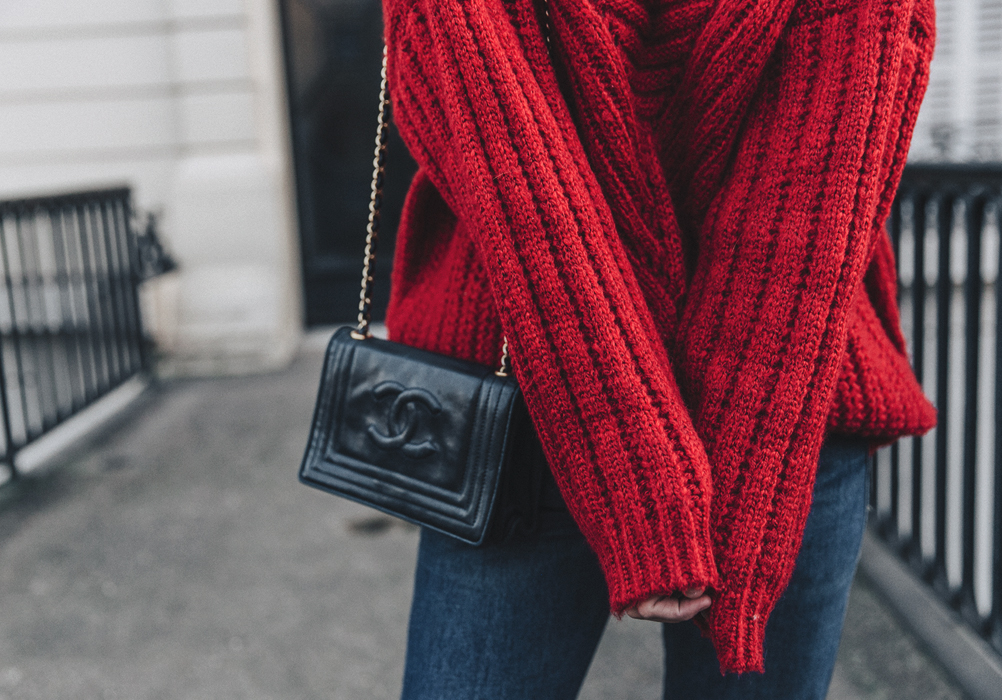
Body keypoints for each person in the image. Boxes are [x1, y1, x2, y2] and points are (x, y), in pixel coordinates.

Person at [379, 0, 937, 697]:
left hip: (780, 415)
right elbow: (509, 161)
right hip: (526, 411)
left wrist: (742, 493)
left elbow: (812, 198)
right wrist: (634, 475)